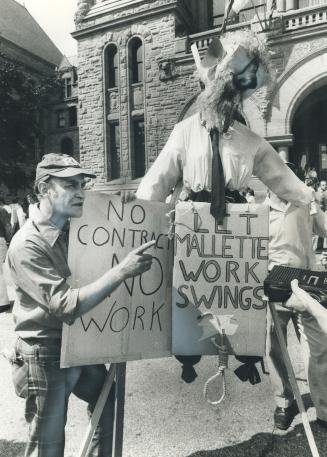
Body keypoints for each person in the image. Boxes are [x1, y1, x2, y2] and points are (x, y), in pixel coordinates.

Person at [7, 153, 155, 457]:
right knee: (48, 444)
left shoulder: (74, 228)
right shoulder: (27, 244)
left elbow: (108, 238)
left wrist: (124, 210)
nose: (81, 192)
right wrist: (122, 271)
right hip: (45, 348)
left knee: (106, 399)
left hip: (78, 340)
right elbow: (64, 305)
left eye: (82, 184)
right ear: (44, 189)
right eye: (70, 185)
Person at [266, 187, 327, 430]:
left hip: (308, 284)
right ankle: (284, 402)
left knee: (318, 349)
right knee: (272, 347)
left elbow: (324, 229)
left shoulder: (304, 205)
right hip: (274, 286)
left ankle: (323, 408)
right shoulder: (258, 211)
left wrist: (315, 203)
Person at [0, 198, 13, 311]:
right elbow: (7, 227)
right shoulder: (1, 210)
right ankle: (2, 302)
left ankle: (3, 302)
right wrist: (10, 241)